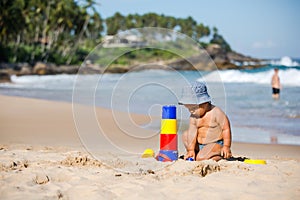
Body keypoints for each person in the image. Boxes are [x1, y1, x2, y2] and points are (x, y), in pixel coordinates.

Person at [179, 81, 232, 161]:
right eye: (189, 109)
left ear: (205, 103)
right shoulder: (194, 117)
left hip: (215, 144)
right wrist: (190, 149)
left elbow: (226, 129)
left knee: (201, 158)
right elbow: (192, 133)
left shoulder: (216, 112)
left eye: (193, 108)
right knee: (186, 134)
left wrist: (226, 146)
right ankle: (193, 153)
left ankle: (219, 156)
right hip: (200, 145)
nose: (191, 111)